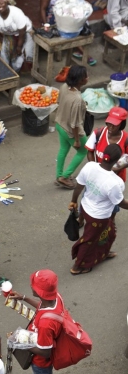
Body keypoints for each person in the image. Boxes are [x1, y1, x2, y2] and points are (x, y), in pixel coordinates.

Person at [10, 269, 63, 374]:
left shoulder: (46, 324)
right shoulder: (56, 298)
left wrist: (19, 342)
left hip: (41, 360)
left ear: (39, 292)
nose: (30, 285)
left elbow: (45, 352)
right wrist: (24, 298)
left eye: (32, 284)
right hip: (39, 348)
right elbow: (41, 306)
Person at [69, 143, 128, 275]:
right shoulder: (115, 182)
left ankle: (103, 253)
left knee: (110, 233)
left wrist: (74, 201)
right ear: (117, 160)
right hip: (98, 217)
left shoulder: (90, 166)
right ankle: (78, 266)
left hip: (86, 208)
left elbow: (79, 186)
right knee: (89, 240)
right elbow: (121, 203)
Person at [84, 106, 128, 222]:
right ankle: (80, 219)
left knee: (113, 203)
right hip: (96, 176)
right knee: (88, 197)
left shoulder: (126, 139)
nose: (110, 127)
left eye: (114, 124)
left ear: (122, 124)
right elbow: (90, 151)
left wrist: (114, 170)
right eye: (108, 123)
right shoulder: (98, 133)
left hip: (116, 180)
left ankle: (110, 222)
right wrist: (96, 169)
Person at [55, 65, 89, 189]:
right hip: (71, 131)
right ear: (81, 80)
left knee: (63, 149)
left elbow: (59, 102)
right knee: (83, 151)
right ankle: (65, 176)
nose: (88, 78)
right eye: (86, 76)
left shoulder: (64, 87)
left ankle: (58, 175)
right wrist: (76, 140)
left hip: (59, 124)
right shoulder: (77, 99)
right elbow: (75, 124)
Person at [39, 0, 97, 66]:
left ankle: (78, 49)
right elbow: (42, 9)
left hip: (66, 15)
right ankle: (82, 52)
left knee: (81, 22)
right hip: (53, 18)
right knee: (70, 26)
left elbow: (71, 3)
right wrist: (45, 25)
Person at [0, 0, 34, 73]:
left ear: (7, 3)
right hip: (9, 34)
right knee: (5, 54)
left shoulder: (16, 13)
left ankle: (18, 71)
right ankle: (6, 72)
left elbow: (22, 31)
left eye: (2, 3)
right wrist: (0, 38)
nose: (0, 6)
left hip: (24, 32)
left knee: (22, 55)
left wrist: (19, 46)